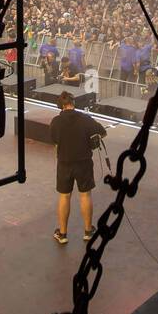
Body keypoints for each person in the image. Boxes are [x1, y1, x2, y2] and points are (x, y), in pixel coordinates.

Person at [49, 90, 106, 245]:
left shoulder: (56, 121)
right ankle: (88, 231)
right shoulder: (85, 119)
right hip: (84, 162)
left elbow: (54, 141)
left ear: (60, 105)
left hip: (64, 163)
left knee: (64, 196)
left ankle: (62, 234)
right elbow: (102, 132)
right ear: (73, 103)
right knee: (85, 195)